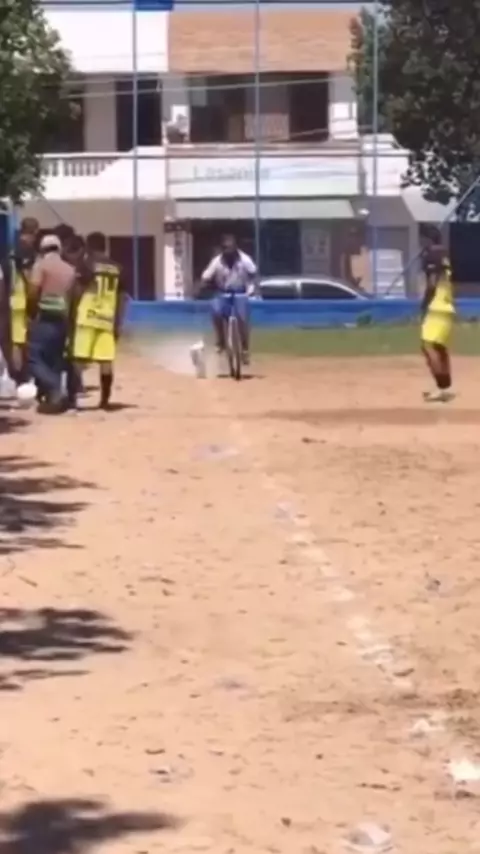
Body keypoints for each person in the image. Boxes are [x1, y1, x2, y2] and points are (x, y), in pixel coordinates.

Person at [69, 231, 127, 410]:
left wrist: (71, 313)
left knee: (78, 359)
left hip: (87, 316)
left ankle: (72, 399)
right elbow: (122, 298)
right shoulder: (118, 268)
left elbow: (77, 291)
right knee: (106, 360)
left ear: (89, 247)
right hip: (107, 318)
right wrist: (118, 322)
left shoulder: (86, 264)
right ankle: (105, 400)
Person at [27, 234, 77, 413]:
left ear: (42, 249)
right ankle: (54, 399)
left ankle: (55, 387)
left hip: (45, 316)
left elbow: (33, 291)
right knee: (54, 358)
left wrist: (31, 313)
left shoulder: (40, 266)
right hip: (63, 318)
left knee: (33, 357)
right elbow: (73, 297)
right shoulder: (70, 269)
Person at [200, 234, 256, 364]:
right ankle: (221, 342)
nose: (228, 251)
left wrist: (251, 288)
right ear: (222, 249)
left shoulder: (244, 259)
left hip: (241, 293)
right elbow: (206, 275)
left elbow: (253, 272)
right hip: (223, 293)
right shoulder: (217, 261)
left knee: (243, 318)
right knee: (216, 311)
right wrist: (206, 282)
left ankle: (245, 349)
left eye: (231, 248)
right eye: (225, 248)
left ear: (236, 248)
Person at [0, 217, 39, 387]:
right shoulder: (27, 250)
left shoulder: (10, 249)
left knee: (13, 339)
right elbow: (29, 276)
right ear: (34, 232)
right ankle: (19, 375)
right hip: (21, 298)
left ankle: (15, 373)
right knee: (19, 340)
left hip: (9, 297)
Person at [420, 228, 455, 402]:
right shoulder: (444, 254)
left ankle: (442, 388)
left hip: (436, 306)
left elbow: (432, 283)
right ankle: (445, 387)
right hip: (446, 304)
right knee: (439, 347)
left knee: (428, 346)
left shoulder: (432, 255)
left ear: (427, 240)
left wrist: (424, 304)